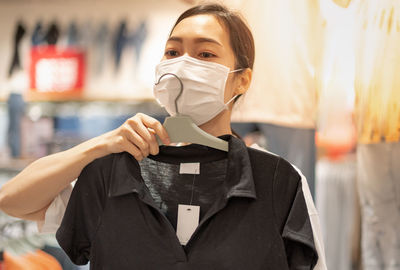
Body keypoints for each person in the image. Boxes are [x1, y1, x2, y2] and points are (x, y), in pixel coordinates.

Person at [0, 3, 326, 269]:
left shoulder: (277, 182)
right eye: (172, 52)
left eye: (205, 55)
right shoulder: (112, 174)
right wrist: (101, 144)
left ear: (242, 80)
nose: (183, 64)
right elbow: (12, 200)